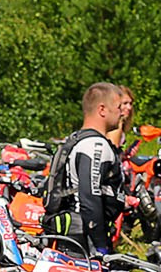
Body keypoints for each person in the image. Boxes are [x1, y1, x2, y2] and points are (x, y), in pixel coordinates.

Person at [47, 82, 125, 250]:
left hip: (75, 233)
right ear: (102, 109)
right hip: (84, 238)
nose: (123, 113)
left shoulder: (78, 138)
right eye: (118, 107)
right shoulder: (95, 145)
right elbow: (89, 196)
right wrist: (100, 245)